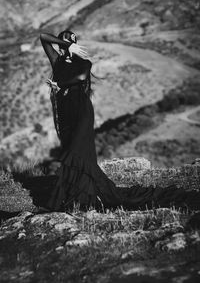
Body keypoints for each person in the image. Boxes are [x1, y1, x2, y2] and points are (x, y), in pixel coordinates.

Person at [39, 29, 200, 213]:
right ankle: (73, 194)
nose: (60, 48)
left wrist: (60, 84)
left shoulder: (84, 63)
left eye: (65, 44)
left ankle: (85, 195)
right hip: (67, 114)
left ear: (74, 46)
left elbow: (82, 77)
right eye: (59, 45)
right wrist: (65, 45)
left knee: (79, 152)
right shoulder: (57, 60)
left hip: (82, 113)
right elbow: (43, 37)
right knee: (71, 151)